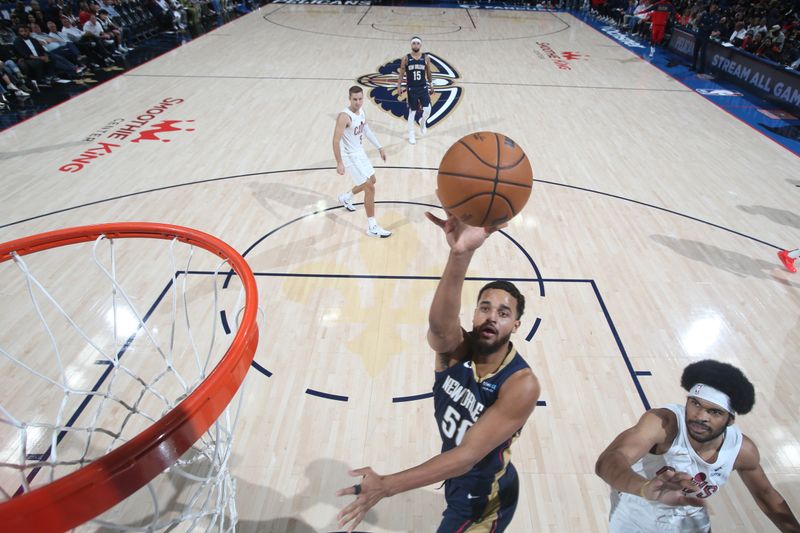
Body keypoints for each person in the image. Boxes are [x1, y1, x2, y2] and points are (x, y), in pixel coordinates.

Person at [336, 211, 540, 532]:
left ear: (515, 325)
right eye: (484, 307)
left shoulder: (520, 385)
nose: (491, 316)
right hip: (458, 480)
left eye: (503, 312)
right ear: (473, 313)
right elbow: (439, 329)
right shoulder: (457, 351)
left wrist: (386, 485)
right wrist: (460, 253)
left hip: (485, 498)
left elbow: (467, 456)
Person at [595, 359, 800, 532]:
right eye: (695, 404)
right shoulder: (663, 424)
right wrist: (644, 487)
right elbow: (608, 460)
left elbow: (766, 496)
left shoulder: (742, 451)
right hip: (636, 524)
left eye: (714, 412)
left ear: (730, 420)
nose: (700, 416)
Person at [332, 85, 392, 238]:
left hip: (360, 153)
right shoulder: (344, 116)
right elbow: (335, 140)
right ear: (349, 99)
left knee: (372, 180)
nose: (358, 102)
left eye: (360, 99)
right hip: (350, 156)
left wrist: (380, 147)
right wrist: (339, 162)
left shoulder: (361, 112)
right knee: (370, 188)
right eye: (355, 99)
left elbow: (366, 130)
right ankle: (372, 227)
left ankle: (346, 196)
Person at [396, 36, 433, 145]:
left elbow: (429, 72)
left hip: (423, 87)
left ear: (420, 45)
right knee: (412, 112)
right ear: (411, 45)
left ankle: (422, 121)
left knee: (428, 109)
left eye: (417, 43)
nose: (415, 45)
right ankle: (411, 135)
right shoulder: (406, 58)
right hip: (412, 89)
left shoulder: (425, 58)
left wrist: (431, 84)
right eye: (414, 43)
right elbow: (402, 73)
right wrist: (399, 86)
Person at [691, 3, 721, 74]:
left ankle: (701, 69)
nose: (713, 9)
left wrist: (704, 26)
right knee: (695, 50)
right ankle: (693, 65)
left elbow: (712, 27)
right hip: (699, 34)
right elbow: (698, 23)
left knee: (702, 53)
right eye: (712, 7)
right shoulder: (704, 14)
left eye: (714, 8)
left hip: (705, 36)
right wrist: (705, 26)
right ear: (710, 7)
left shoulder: (716, 17)